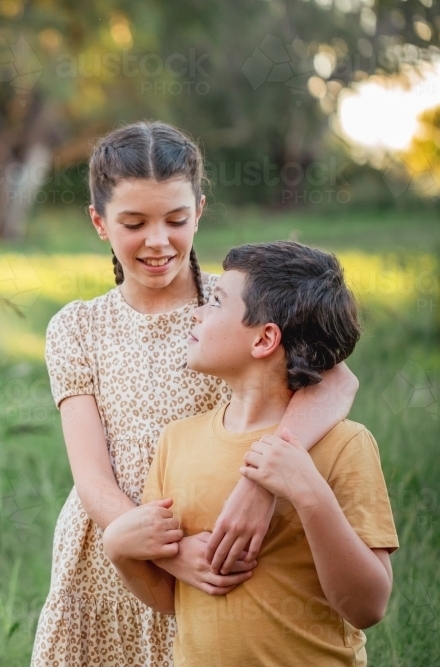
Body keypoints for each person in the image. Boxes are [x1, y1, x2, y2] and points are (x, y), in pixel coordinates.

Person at [31, 121, 360, 666]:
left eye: (176, 220)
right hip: (116, 556)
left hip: (219, 552)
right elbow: (90, 476)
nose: (158, 241)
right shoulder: (77, 327)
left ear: (199, 212)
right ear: (99, 222)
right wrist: (162, 550)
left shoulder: (236, 309)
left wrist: (260, 486)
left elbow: (338, 382)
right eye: (134, 223)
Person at [101, 240, 398, 666]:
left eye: (218, 302)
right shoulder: (176, 441)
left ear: (264, 339)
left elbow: (368, 607)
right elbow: (174, 599)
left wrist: (308, 492)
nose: (197, 312)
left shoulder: (343, 444)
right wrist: (121, 551)